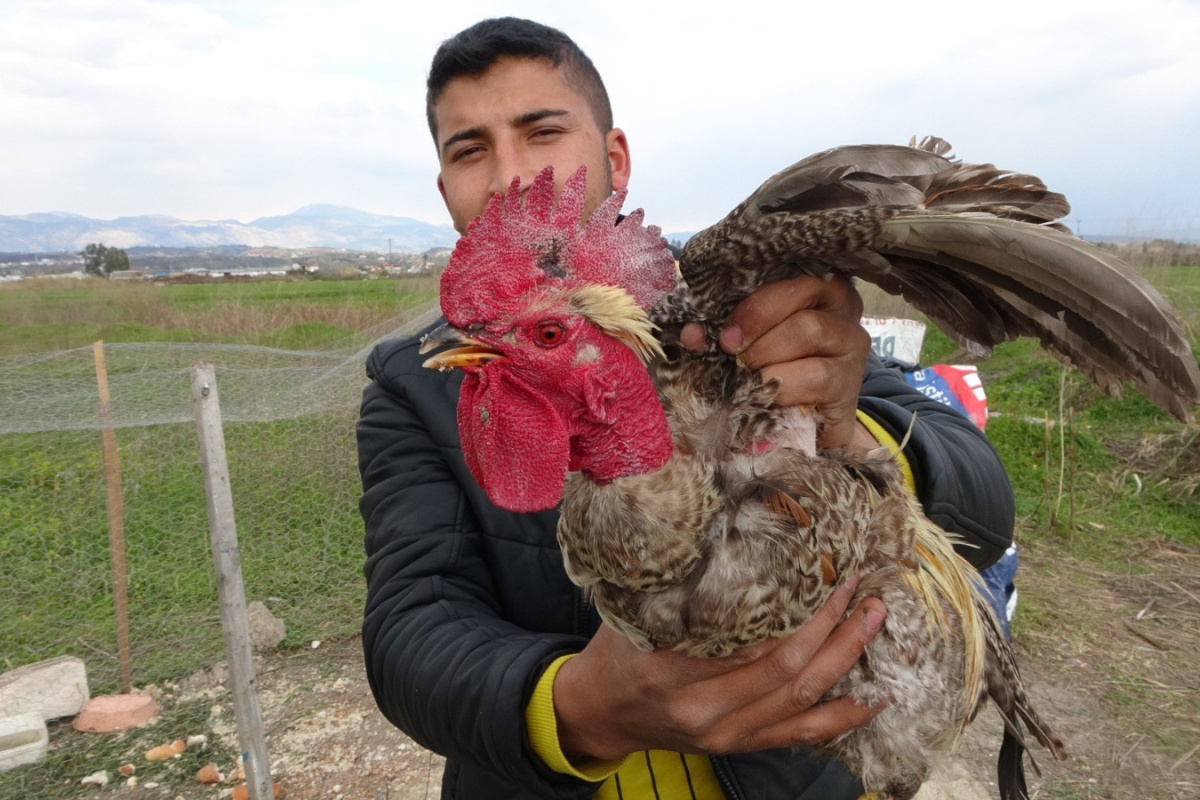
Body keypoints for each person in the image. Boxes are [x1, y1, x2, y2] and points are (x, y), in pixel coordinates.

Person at [358, 17, 1016, 800]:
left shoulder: (749, 313)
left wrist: (838, 428)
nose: (508, 175)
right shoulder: (417, 383)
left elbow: (986, 510)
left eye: (542, 131)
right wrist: (584, 710)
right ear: (444, 188)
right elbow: (411, 628)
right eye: (469, 149)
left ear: (615, 159)